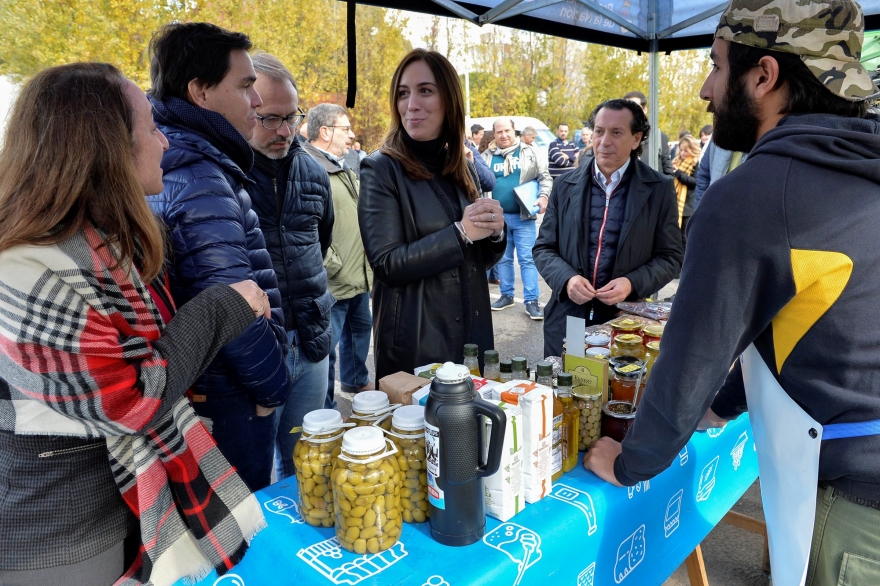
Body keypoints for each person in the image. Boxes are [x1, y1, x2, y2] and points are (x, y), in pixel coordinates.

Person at [583, 1, 880, 583]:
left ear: (764, 76)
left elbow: (691, 356)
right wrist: (720, 407)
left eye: (717, 66)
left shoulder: (754, 195)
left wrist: (632, 462)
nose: (704, 89)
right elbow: (806, 321)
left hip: (854, 506)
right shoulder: (856, 170)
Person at [0, 62, 269, 586]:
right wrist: (222, 307)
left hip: (125, 502)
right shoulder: (26, 268)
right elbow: (130, 398)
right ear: (106, 149)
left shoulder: (107, 242)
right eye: (150, 128)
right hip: (63, 532)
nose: (165, 142)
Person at [147, 23, 290, 492]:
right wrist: (272, 387)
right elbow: (227, 304)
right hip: (231, 395)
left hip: (218, 387)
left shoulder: (191, 159)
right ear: (201, 92)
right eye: (245, 86)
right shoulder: (198, 174)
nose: (256, 101)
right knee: (239, 534)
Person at [358, 49, 507, 380]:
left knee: (474, 426)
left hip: (472, 332)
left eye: (425, 90)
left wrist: (495, 232)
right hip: (417, 341)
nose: (411, 104)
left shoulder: (461, 166)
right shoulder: (380, 168)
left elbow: (476, 259)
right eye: (403, 93)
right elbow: (386, 264)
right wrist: (461, 233)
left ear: (449, 100)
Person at [534, 98, 683, 357]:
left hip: (624, 322)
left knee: (616, 392)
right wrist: (567, 279)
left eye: (616, 133)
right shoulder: (564, 185)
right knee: (569, 387)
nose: (604, 141)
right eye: (599, 131)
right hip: (569, 318)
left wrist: (631, 283)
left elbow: (671, 257)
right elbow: (544, 248)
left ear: (636, 139)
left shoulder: (658, 188)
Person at [246, 54, 335, 481]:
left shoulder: (315, 173)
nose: (284, 130)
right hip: (258, 351)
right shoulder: (226, 177)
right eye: (269, 119)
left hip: (313, 343)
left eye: (292, 117)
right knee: (255, 476)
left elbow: (322, 243)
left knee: (309, 469)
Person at [301, 103, 374, 409]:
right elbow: (307, 229)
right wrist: (333, 265)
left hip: (357, 276)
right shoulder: (310, 168)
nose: (351, 135)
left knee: (360, 330)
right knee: (326, 349)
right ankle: (327, 409)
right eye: (345, 129)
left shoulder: (340, 164)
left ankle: (356, 379)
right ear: (325, 132)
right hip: (335, 281)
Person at [482, 117, 553, 320]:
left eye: (507, 131)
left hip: (523, 216)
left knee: (527, 259)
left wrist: (543, 196)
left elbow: (544, 176)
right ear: (494, 134)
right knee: (503, 259)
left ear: (515, 131)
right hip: (497, 219)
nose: (504, 135)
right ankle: (507, 295)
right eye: (499, 132)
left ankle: (531, 301)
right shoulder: (486, 156)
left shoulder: (530, 152)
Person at [623, 90, 674, 175]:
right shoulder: (617, 137)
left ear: (645, 109)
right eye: (627, 109)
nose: (631, 112)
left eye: (635, 107)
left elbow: (668, 172)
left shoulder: (659, 137)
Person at [693, 136, 746, 209]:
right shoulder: (719, 133)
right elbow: (703, 176)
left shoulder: (762, 133)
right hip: (715, 208)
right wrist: (699, 210)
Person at [671, 133, 701, 248]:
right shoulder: (676, 162)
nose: (683, 153)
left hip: (688, 205)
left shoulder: (696, 162)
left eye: (686, 150)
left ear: (692, 150)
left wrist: (678, 173)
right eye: (681, 150)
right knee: (676, 236)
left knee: (685, 237)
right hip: (676, 202)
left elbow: (694, 182)